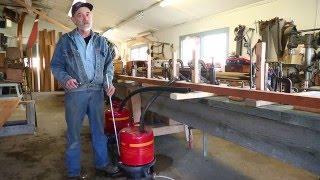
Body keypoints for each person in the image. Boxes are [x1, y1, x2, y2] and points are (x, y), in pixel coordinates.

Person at [50, 2, 119, 179]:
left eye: (87, 13)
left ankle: (102, 164)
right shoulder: (66, 41)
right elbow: (56, 65)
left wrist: (108, 82)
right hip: (75, 93)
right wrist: (65, 79)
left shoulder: (102, 41)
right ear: (73, 19)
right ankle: (73, 172)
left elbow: (108, 65)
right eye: (79, 15)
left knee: (99, 131)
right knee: (73, 134)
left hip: (96, 92)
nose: (84, 17)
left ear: (92, 16)